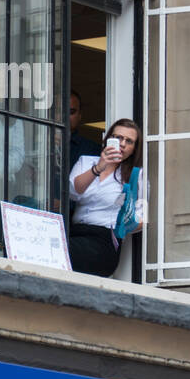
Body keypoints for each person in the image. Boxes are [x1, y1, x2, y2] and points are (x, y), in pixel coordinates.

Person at [68, 118, 144, 277]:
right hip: (75, 233)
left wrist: (128, 219)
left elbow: (141, 219)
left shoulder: (135, 176)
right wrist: (98, 167)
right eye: (118, 138)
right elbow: (73, 192)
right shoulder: (86, 161)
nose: (122, 144)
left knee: (61, 250)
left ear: (134, 149)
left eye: (129, 141)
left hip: (104, 241)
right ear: (107, 139)